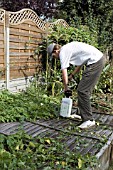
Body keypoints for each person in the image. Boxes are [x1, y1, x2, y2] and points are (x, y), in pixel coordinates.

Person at [47, 41, 105, 129]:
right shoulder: (68, 48)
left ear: (55, 51)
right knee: (84, 89)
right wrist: (72, 75)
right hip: (98, 59)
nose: (55, 58)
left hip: (95, 62)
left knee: (82, 90)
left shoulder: (63, 52)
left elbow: (64, 72)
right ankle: (81, 114)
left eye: (53, 56)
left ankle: (88, 120)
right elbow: (80, 64)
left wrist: (66, 88)